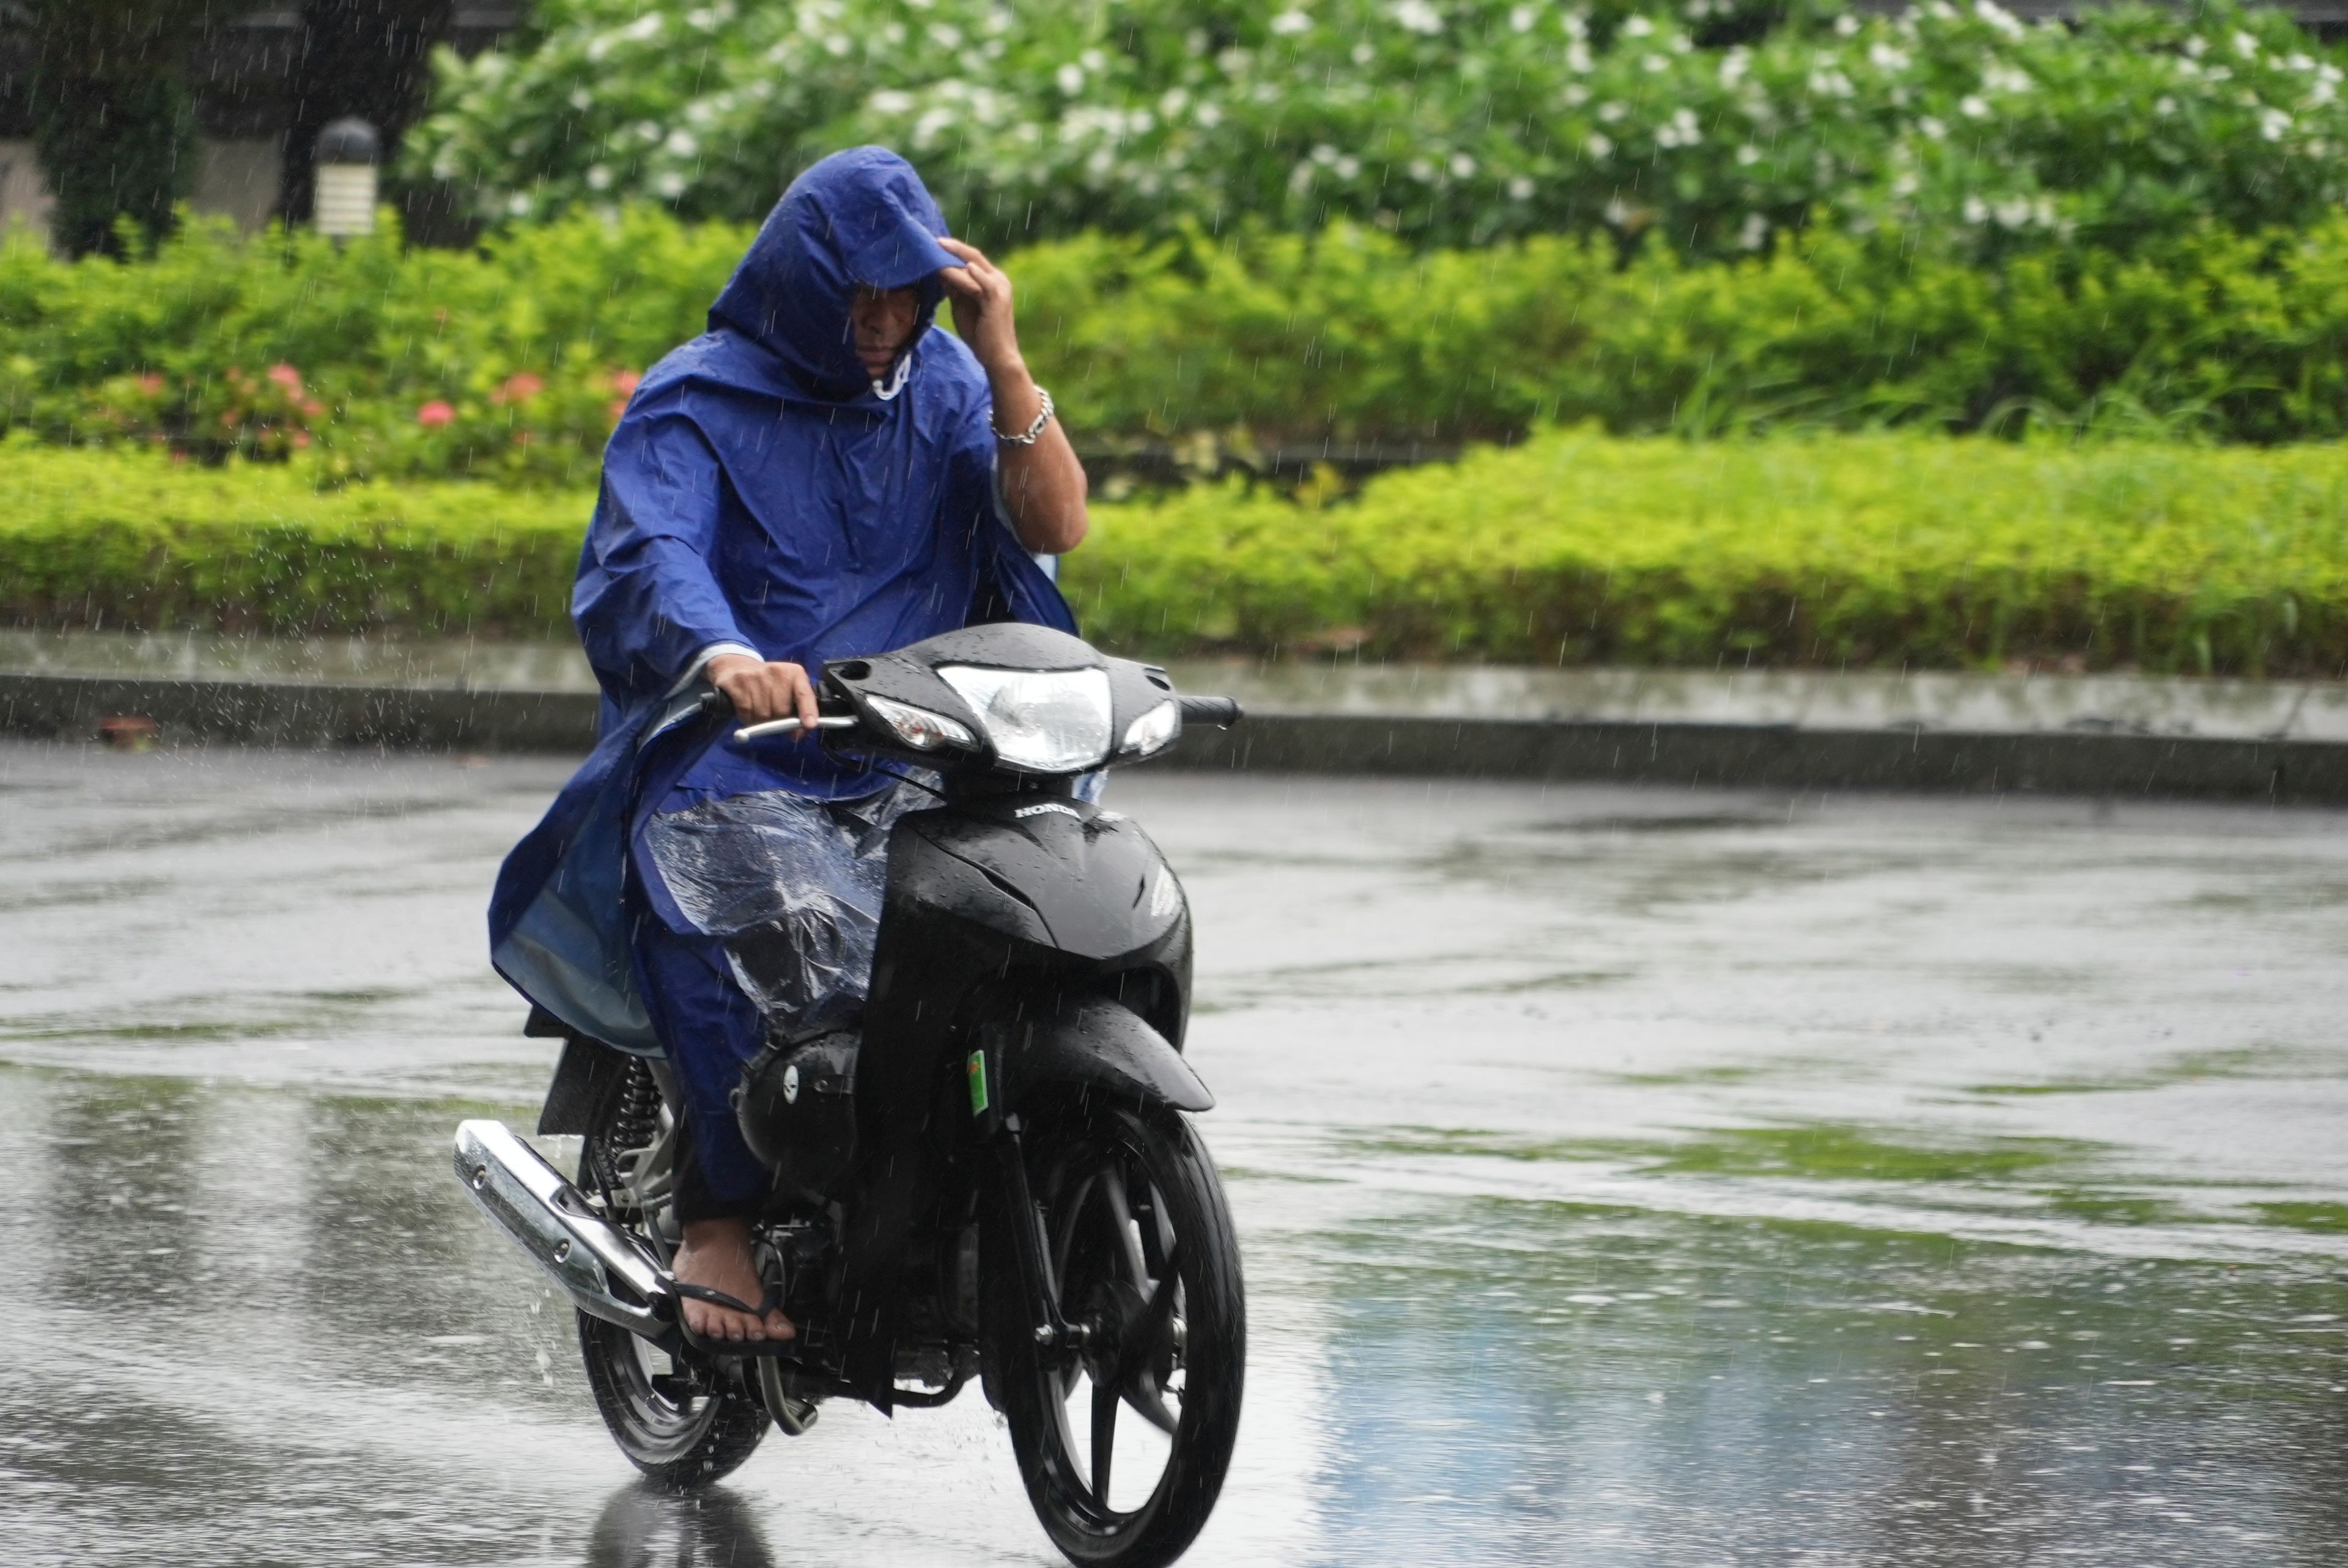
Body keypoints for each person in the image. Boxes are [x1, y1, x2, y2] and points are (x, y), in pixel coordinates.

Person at [486, 148, 1088, 1347]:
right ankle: (719, 1213)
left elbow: (1056, 521)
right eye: (857, 298)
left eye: (903, 299)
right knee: (746, 890)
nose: (879, 327)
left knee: (1043, 914)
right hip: (745, 744)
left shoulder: (952, 386)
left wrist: (1003, 351)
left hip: (920, 742)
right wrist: (721, 653)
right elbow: (655, 548)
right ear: (802, 284)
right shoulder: (697, 396)